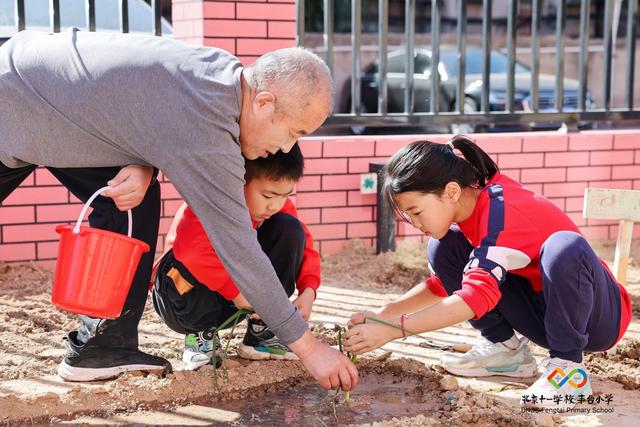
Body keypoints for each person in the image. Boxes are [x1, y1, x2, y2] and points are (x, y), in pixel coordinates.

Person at [0, 28, 357, 391]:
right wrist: (310, 348)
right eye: (294, 132)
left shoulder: (223, 78)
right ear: (264, 103)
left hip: (50, 92)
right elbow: (238, 247)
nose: (286, 149)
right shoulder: (209, 128)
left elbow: (146, 111)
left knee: (131, 196)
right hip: (15, 94)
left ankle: (102, 347)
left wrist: (146, 164)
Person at [343, 136, 631, 407]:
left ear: (451, 191)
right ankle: (504, 351)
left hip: (599, 316)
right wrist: (384, 314)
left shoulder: (501, 210)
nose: (415, 224)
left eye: (417, 212)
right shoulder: (467, 219)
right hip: (546, 314)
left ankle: (569, 376)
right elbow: (447, 286)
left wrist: (394, 330)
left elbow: (472, 299)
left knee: (565, 246)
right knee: (444, 248)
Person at [152, 144, 320, 369]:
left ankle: (261, 332)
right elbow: (192, 254)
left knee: (290, 229)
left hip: (234, 299)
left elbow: (304, 245)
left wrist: (309, 290)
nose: (276, 205)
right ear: (238, 181)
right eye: (268, 195)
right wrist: (236, 292)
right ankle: (200, 337)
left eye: (284, 195)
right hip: (180, 296)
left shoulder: (277, 208)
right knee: (195, 257)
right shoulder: (212, 200)